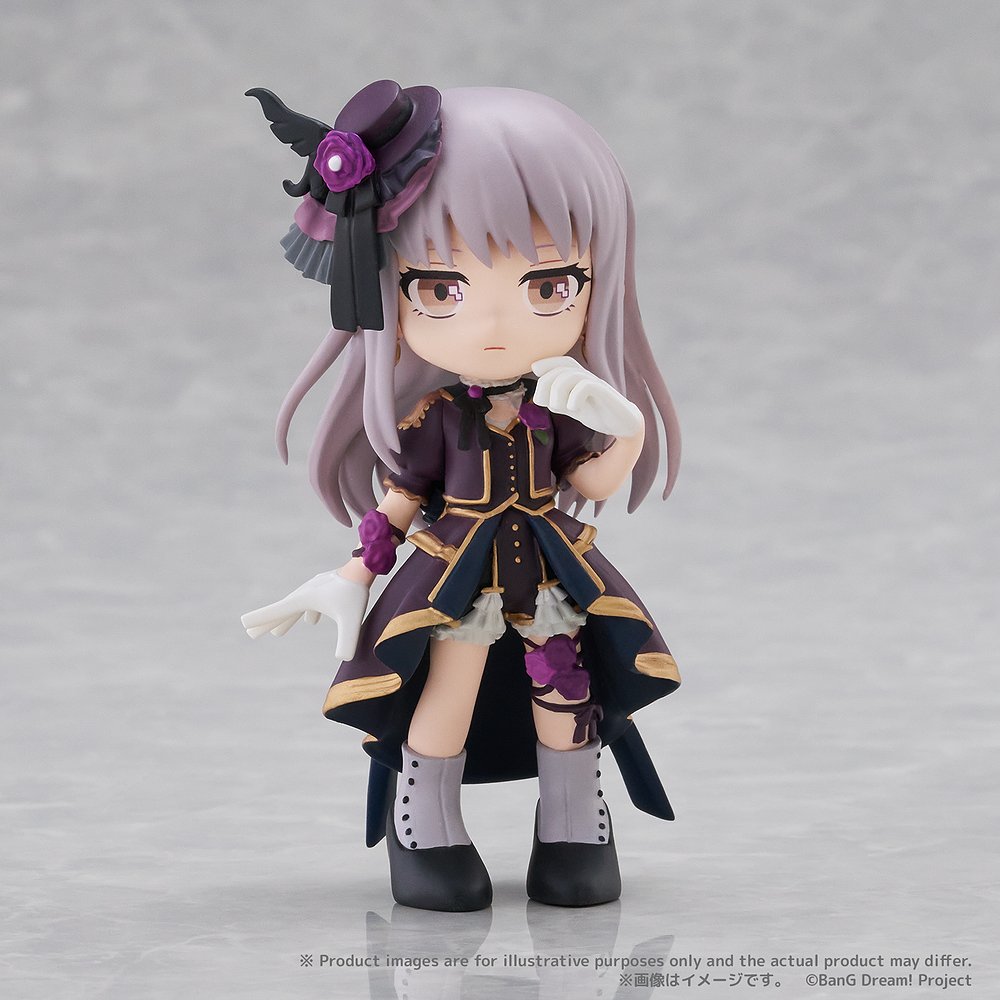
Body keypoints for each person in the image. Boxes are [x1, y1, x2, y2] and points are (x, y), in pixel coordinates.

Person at [242, 81, 682, 911]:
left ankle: (574, 823)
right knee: (452, 686)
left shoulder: (560, 414)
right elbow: (401, 501)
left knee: (565, 686)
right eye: (442, 288)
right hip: (456, 575)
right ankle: (427, 825)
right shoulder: (437, 420)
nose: (494, 326)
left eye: (548, 285)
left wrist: (624, 429)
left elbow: (592, 483)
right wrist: (350, 575)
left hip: (547, 570)